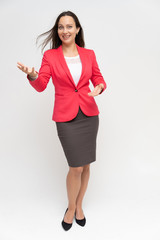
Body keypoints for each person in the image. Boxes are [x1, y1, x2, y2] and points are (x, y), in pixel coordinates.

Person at [17, 10, 107, 231]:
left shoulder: (89, 54)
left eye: (69, 26)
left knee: (86, 165)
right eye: (60, 27)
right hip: (66, 116)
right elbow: (42, 85)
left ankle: (79, 206)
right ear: (58, 31)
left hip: (89, 114)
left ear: (77, 29)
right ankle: (70, 207)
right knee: (75, 166)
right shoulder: (50, 57)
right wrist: (32, 75)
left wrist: (99, 87)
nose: (64, 30)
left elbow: (98, 77)